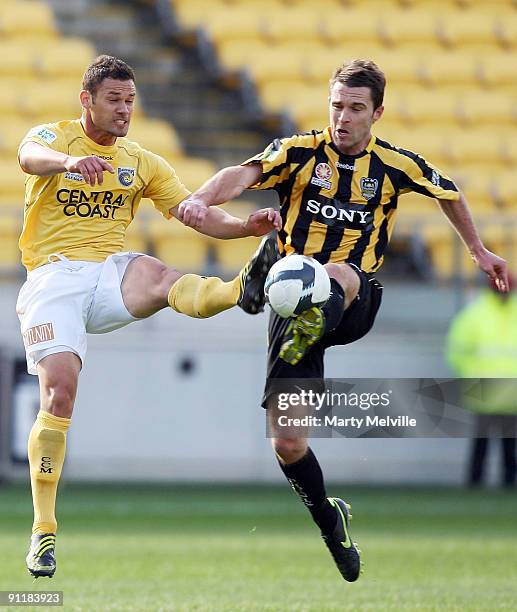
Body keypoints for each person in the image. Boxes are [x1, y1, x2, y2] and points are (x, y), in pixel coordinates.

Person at [177, 59, 509, 582]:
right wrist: (198, 198)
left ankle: (269, 275)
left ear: (377, 112)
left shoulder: (396, 165)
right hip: (295, 310)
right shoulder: (300, 151)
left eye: (356, 108)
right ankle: (331, 521)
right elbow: (243, 174)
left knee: (339, 270)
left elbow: (449, 192)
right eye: (336, 105)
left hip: (355, 298)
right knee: (287, 442)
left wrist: (478, 250)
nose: (343, 117)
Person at [17, 55, 281, 579]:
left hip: (106, 274)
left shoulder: (142, 162)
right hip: (52, 279)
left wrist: (246, 227)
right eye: (114, 100)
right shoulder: (58, 137)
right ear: (86, 100)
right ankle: (43, 531)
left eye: (130, 101)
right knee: (60, 394)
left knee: (160, 276)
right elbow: (28, 155)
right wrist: (69, 164)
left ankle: (241, 290)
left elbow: (195, 212)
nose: (124, 110)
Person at [447, 277, 517, 488]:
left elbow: (457, 353)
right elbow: (457, 353)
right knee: (484, 443)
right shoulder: (475, 315)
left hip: (503, 394)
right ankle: (479, 482)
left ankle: (496, 483)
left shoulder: (474, 315)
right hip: (489, 392)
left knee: (505, 444)